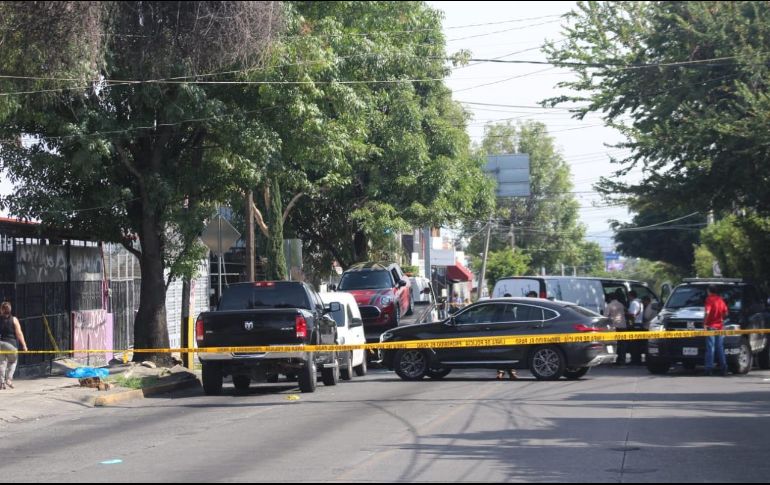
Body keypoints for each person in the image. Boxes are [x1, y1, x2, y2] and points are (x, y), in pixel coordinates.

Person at [0, 301, 28, 390]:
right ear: (10, 310)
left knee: (2, 363)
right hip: (11, 344)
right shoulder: (14, 319)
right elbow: (19, 333)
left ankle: (1, 383)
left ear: (2, 310)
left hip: (1, 344)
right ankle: (9, 379)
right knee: (13, 362)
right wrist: (24, 345)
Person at [703, 285, 729, 376]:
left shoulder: (709, 299)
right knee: (720, 348)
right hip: (720, 326)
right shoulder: (720, 300)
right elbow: (726, 312)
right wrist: (721, 318)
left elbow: (707, 312)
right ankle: (723, 367)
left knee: (710, 348)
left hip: (711, 326)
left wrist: (704, 323)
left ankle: (709, 368)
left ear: (709, 291)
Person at [604, 291, 628, 365]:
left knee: (614, 344)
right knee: (623, 344)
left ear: (610, 298)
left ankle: (614, 360)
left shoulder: (609, 305)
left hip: (615, 327)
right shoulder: (621, 305)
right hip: (623, 326)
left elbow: (605, 316)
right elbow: (626, 312)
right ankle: (622, 360)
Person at [626, 291, 644, 364]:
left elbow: (632, 315)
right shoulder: (640, 303)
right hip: (639, 324)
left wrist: (625, 313)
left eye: (628, 296)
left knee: (633, 344)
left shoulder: (634, 303)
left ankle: (634, 360)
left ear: (631, 296)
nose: (628, 298)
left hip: (635, 325)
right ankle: (637, 359)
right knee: (638, 343)